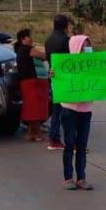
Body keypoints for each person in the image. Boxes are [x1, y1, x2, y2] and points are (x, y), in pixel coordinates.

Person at [60, 34, 96, 190]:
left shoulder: (93, 65)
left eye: (88, 46)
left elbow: (101, 81)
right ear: (76, 48)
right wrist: (53, 75)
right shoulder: (66, 65)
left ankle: (81, 178)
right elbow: (58, 82)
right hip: (69, 110)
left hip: (86, 110)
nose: (86, 49)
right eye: (83, 46)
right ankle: (68, 178)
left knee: (82, 145)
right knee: (69, 144)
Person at [14, 28, 50, 142]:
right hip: (31, 82)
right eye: (29, 36)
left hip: (24, 82)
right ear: (22, 38)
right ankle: (37, 133)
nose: (31, 39)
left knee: (30, 108)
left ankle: (31, 133)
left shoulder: (19, 50)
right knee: (36, 109)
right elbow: (44, 56)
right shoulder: (29, 49)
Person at [44, 14, 72, 151]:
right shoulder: (66, 40)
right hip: (65, 79)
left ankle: (53, 138)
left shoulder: (49, 40)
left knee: (56, 110)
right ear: (66, 26)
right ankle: (64, 139)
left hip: (53, 77)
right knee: (68, 111)